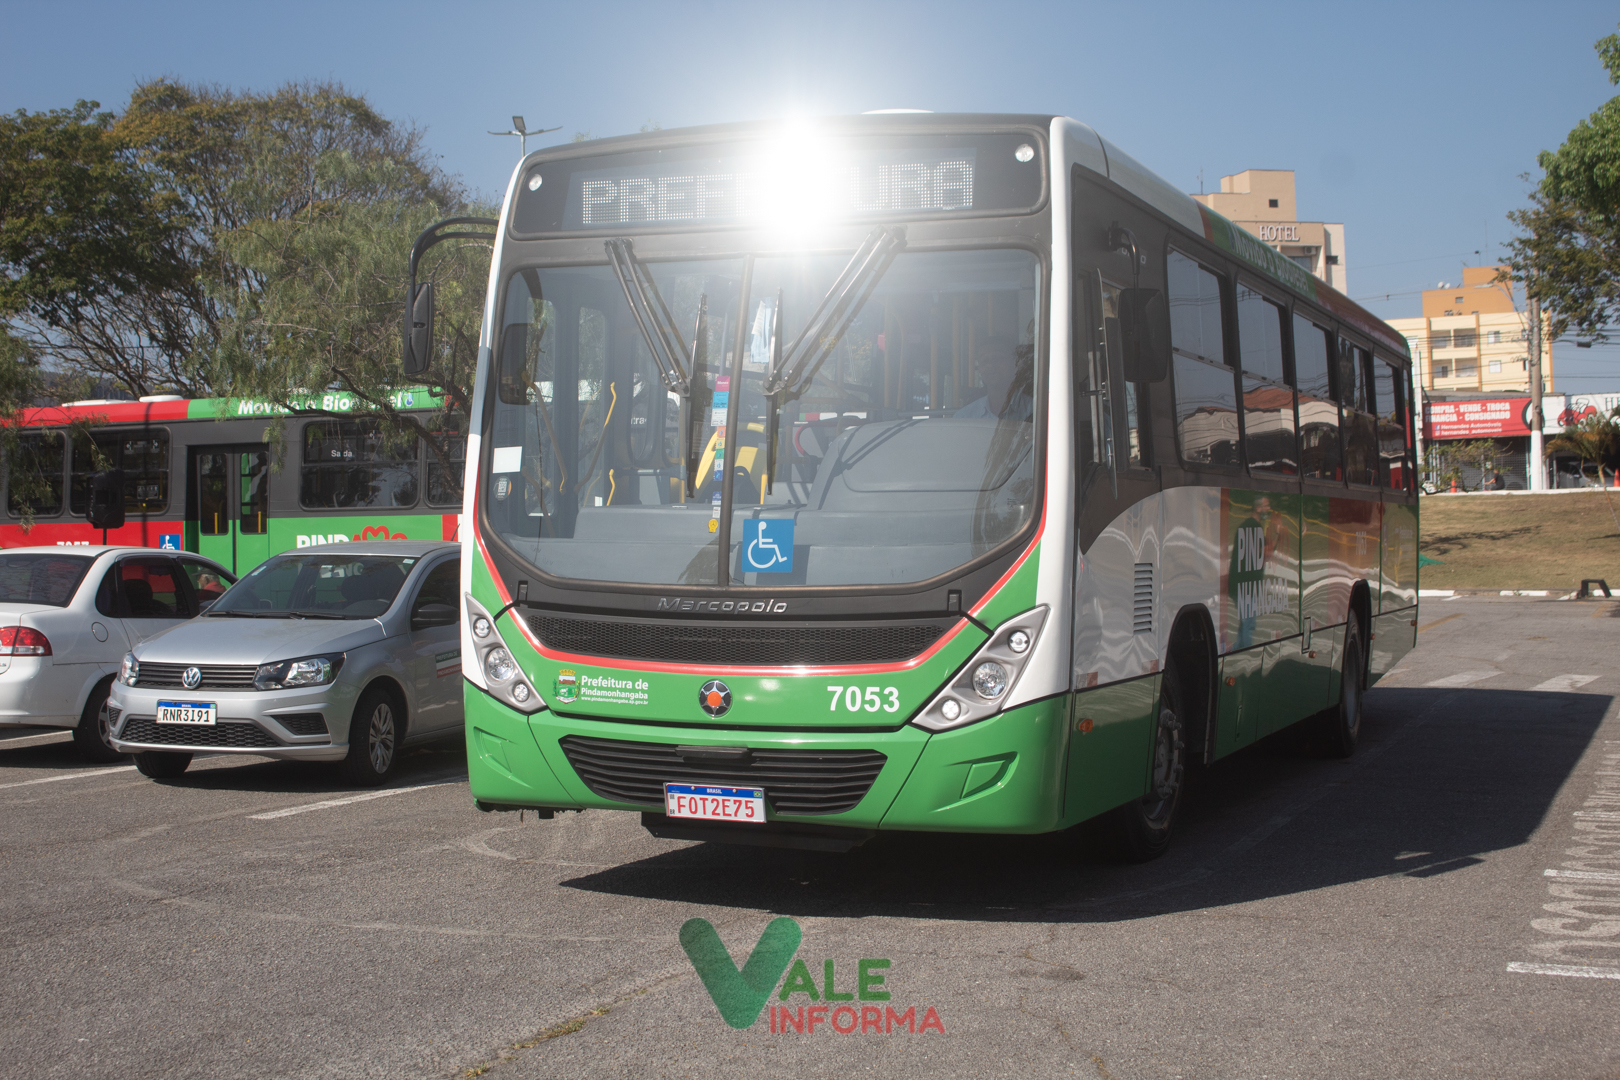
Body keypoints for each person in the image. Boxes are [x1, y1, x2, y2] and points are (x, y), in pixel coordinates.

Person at [955, 336, 1034, 421]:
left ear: (1014, 364)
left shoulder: (1034, 410)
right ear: (979, 369)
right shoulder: (964, 416)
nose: (990, 365)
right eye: (984, 361)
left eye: (997, 359)